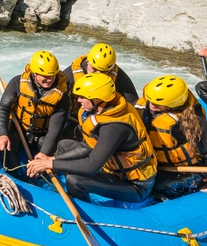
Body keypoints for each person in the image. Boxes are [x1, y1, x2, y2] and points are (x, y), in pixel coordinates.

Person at [27, 73, 157, 203]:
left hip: (134, 185)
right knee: (64, 145)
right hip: (113, 171)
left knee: (75, 181)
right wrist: (51, 159)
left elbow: (92, 166)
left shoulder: (114, 128)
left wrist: (49, 164)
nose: (78, 101)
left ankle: (84, 209)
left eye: (83, 97)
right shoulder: (106, 109)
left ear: (98, 99)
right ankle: (52, 179)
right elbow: (87, 146)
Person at [136, 75, 207, 199]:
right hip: (155, 163)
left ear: (174, 103)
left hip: (188, 168)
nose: (152, 104)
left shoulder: (193, 122)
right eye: (150, 99)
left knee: (160, 187)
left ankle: (201, 179)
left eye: (158, 103)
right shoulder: (145, 106)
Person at [0, 51, 69, 176]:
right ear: (34, 74)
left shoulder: (61, 95)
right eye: (45, 76)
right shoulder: (17, 82)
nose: (50, 79)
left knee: (54, 152)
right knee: (7, 144)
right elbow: (4, 108)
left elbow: (55, 130)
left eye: (53, 75)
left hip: (43, 135)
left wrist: (44, 155)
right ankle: (16, 176)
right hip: (20, 129)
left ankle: (41, 177)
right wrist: (2, 134)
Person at [63, 43, 138, 125]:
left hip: (103, 118)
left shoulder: (117, 76)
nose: (98, 74)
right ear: (88, 62)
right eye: (94, 69)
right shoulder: (70, 74)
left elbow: (133, 102)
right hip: (73, 118)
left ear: (110, 69)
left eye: (103, 72)